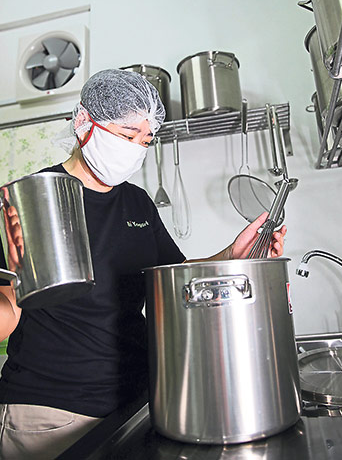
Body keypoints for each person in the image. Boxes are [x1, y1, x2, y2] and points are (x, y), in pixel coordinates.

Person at [0, 69, 287, 459]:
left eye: (146, 139)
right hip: (51, 411)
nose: (137, 148)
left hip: (134, 399)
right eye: (127, 135)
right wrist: (20, 283)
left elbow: (172, 277)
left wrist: (232, 254)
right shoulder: (37, 198)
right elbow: (7, 317)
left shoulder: (136, 202)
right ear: (85, 123)